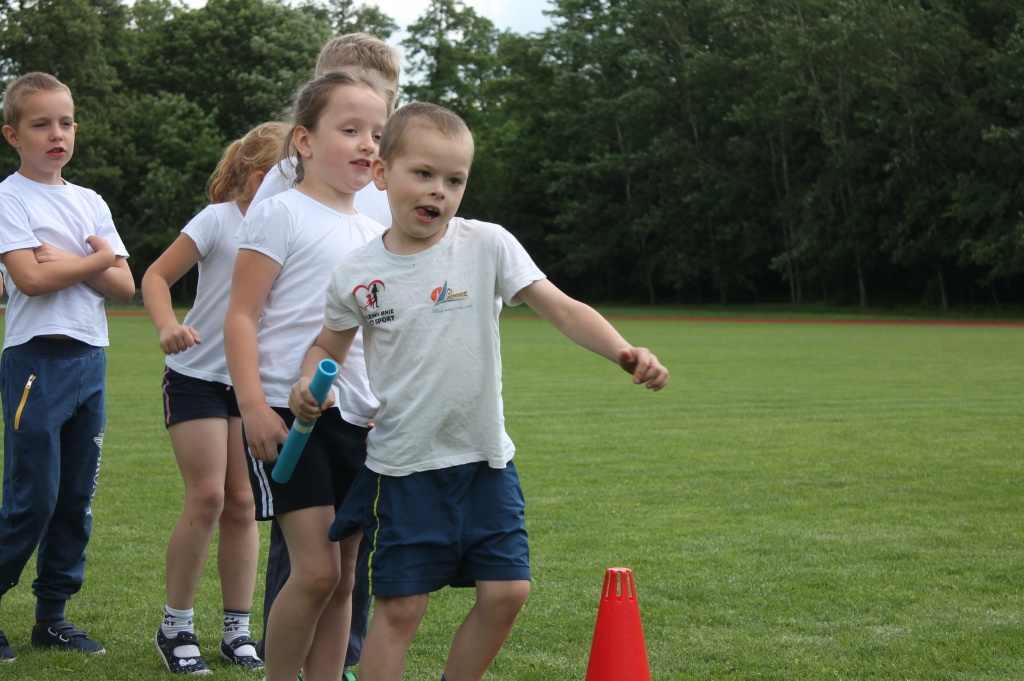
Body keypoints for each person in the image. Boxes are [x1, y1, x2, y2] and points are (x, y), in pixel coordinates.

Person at [288, 102, 670, 681]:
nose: (438, 191)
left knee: (508, 590)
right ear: (383, 173)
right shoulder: (357, 273)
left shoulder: (487, 244)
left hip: (487, 461)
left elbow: (563, 310)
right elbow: (326, 349)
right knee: (400, 610)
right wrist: (306, 384)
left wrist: (624, 352)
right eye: (423, 173)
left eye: (454, 179)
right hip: (405, 467)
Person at [224, 68, 393, 681]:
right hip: (289, 414)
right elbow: (240, 315)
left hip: (360, 420)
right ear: (304, 140)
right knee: (316, 569)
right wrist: (252, 408)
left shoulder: (378, 233)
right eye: (350, 130)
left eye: (376, 132)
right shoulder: (280, 214)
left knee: (345, 573)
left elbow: (377, 332)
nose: (368, 144)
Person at [142, 121, 289, 675]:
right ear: (259, 177)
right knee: (206, 496)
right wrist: (165, 326)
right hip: (196, 375)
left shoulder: (293, 224)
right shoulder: (220, 219)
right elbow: (156, 276)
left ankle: (236, 631)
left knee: (243, 504)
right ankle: (175, 626)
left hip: (252, 384)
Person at [0, 72, 135, 663]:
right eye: (41, 124)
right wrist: (95, 260)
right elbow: (29, 278)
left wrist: (81, 260)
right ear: (13, 134)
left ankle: (51, 618)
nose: (57, 134)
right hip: (36, 361)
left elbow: (124, 285)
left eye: (66, 122)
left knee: (76, 498)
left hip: (89, 361)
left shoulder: (91, 201)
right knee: (35, 497)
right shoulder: (9, 198)